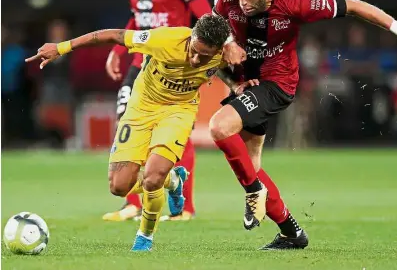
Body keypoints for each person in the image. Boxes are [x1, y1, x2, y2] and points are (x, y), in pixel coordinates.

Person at [212, 0, 397, 250]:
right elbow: (214, 27)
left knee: (220, 127)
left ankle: (254, 191)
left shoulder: (295, 3)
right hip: (245, 84)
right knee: (249, 163)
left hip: (276, 84)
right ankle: (290, 231)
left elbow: (354, 6)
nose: (241, 0)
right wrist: (228, 47)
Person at [26, 14, 240, 252]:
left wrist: (236, 84)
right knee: (118, 186)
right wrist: (62, 47)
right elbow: (112, 35)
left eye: (205, 56)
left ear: (219, 50)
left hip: (178, 111)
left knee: (152, 177)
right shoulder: (164, 39)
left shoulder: (224, 54)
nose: (196, 59)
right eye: (194, 50)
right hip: (141, 108)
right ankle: (174, 180)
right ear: (191, 37)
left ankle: (145, 236)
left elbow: (229, 69)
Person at [104, 0, 212, 222]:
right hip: (141, 63)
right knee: (126, 121)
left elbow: (206, 16)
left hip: (174, 66)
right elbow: (138, 19)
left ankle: (185, 208)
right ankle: (132, 203)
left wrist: (218, 48)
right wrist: (117, 51)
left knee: (178, 136)